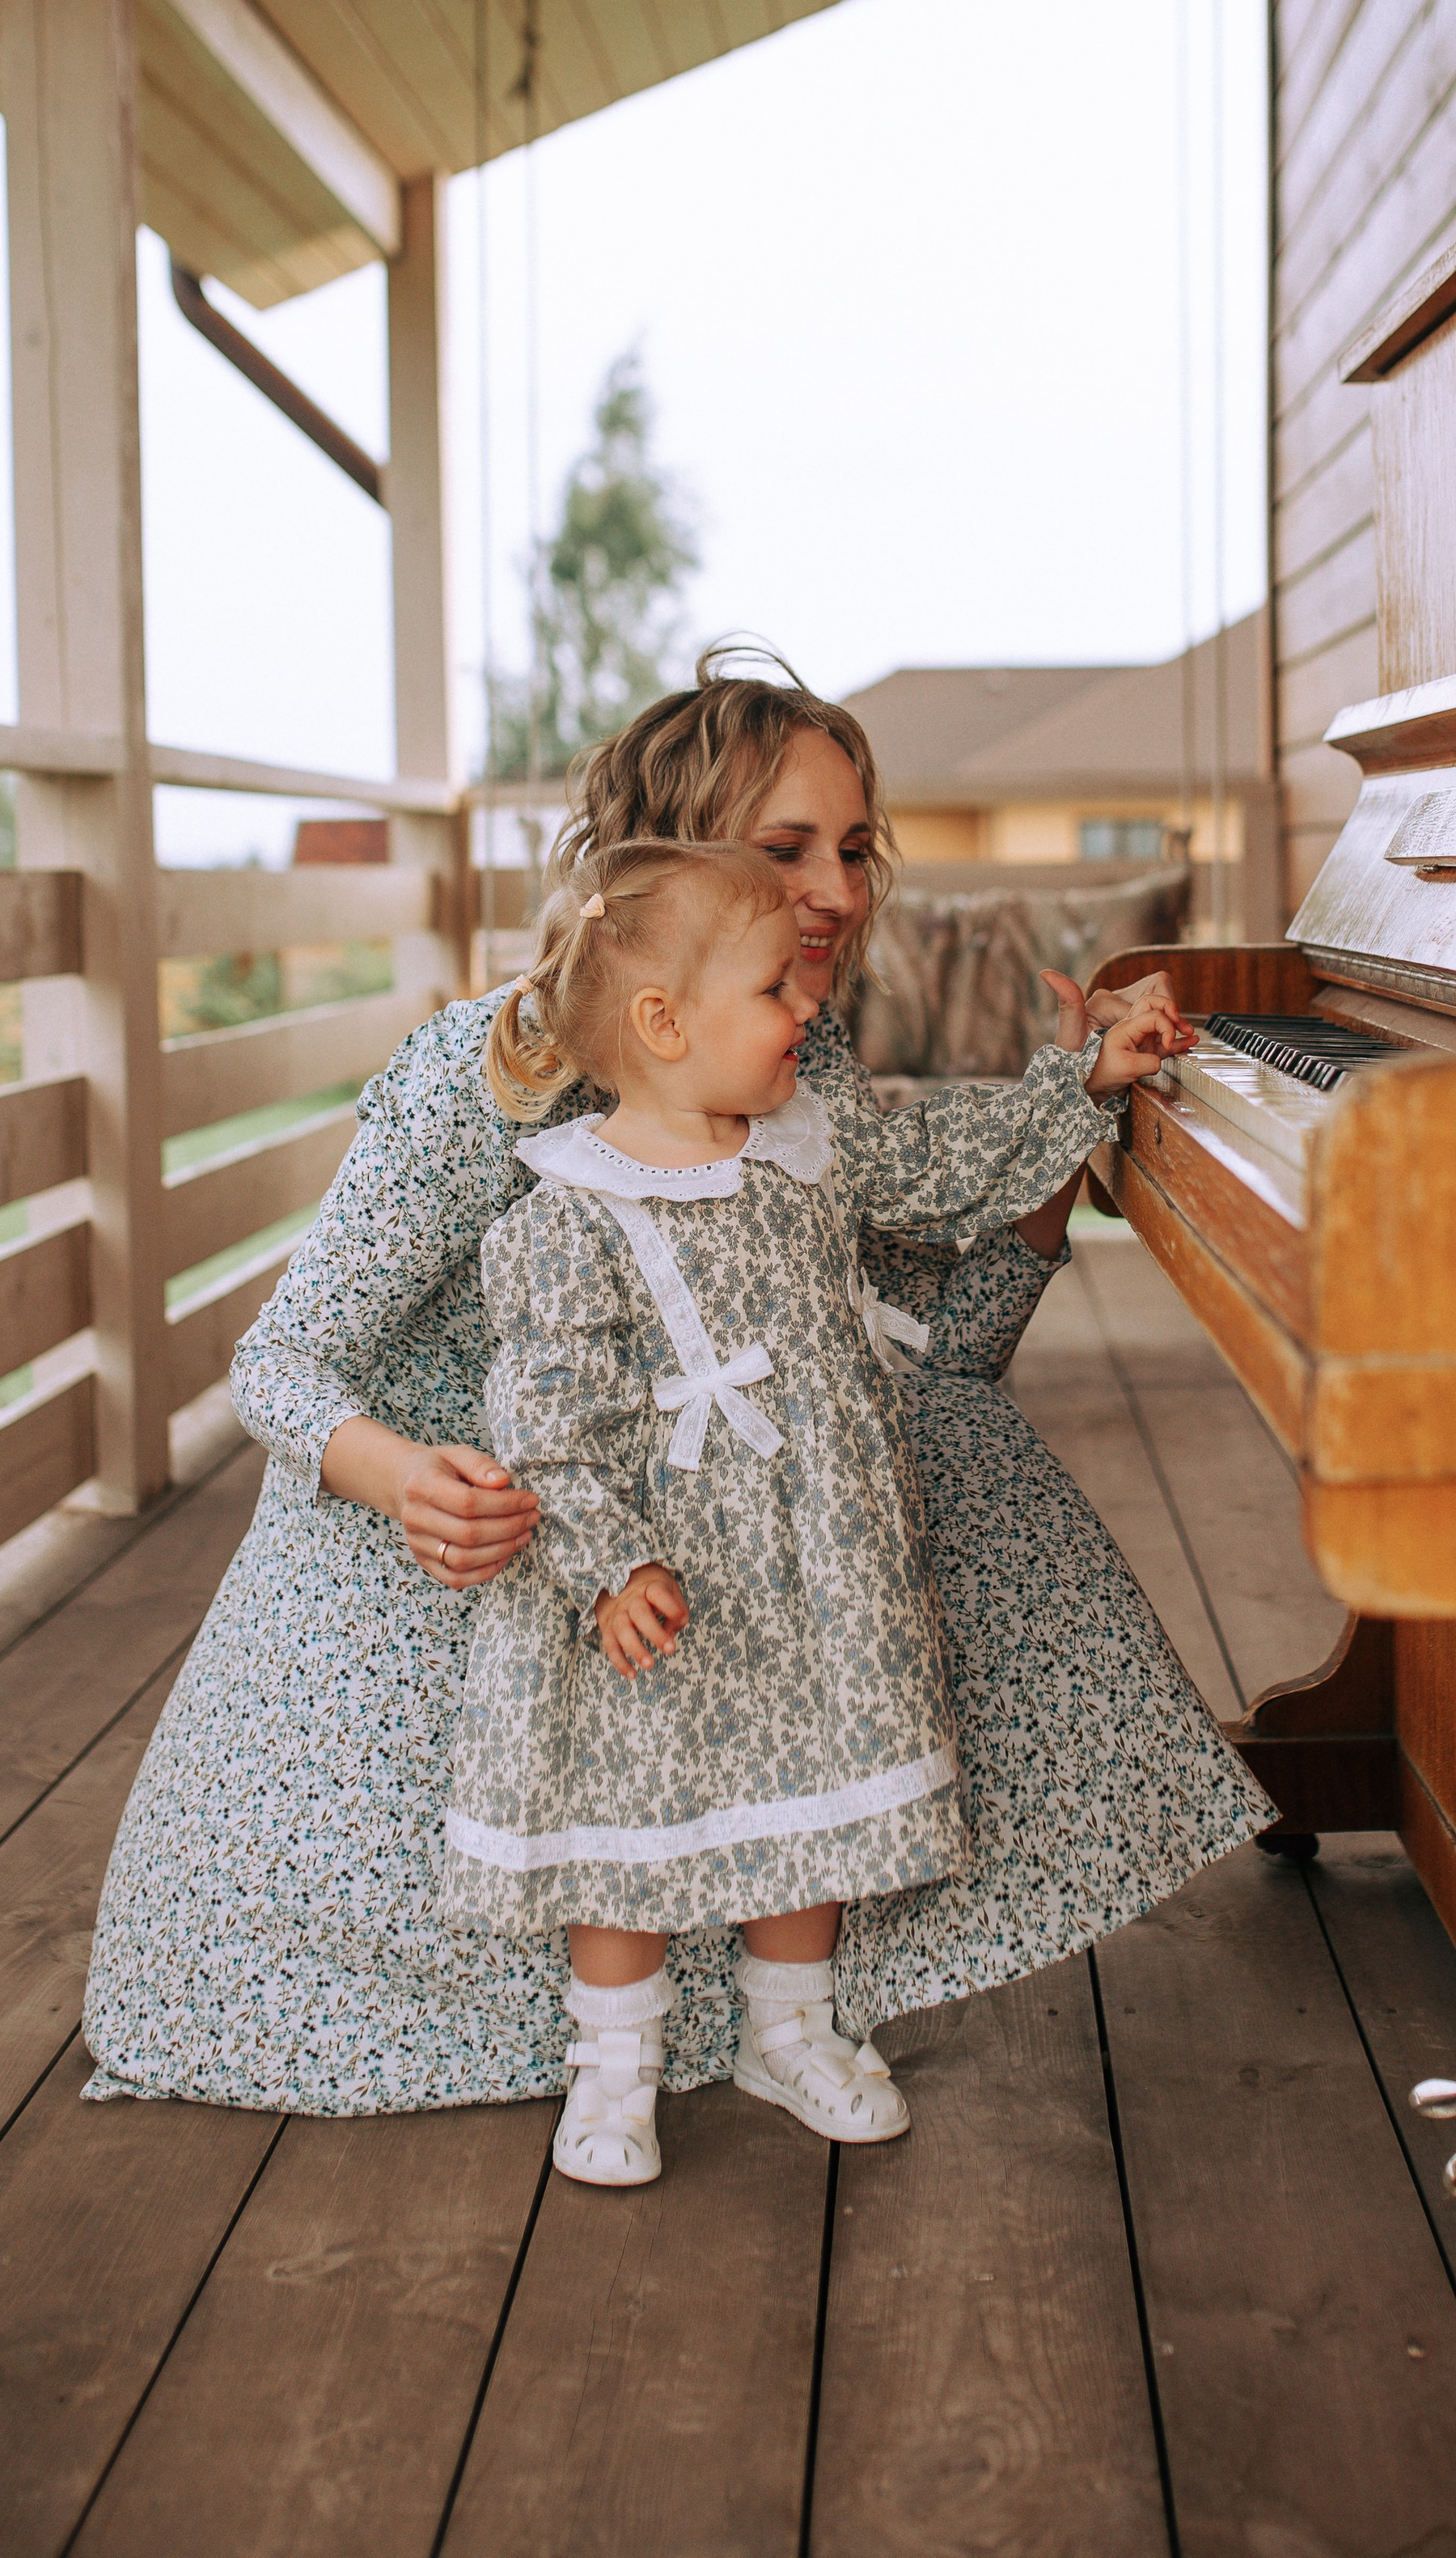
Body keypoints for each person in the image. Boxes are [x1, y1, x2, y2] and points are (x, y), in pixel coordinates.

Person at [81, 649, 1270, 2115]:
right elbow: (280, 1360)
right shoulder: (496, 1072)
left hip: (714, 1536)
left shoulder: (788, 1057)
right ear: (672, 863)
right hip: (492, 1527)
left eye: (852, 848)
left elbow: (938, 1368)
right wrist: (405, 1480)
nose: (834, 892)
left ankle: (787, 1992)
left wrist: (1054, 1150)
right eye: (786, 853)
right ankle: (622, 2014)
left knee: (961, 1464)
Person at [447, 839, 1180, 2185]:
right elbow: (548, 1411)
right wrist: (608, 1564)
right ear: (664, 1025)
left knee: (809, 1801)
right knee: (627, 1832)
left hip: (813, 1565)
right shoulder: (567, 1210)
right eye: (778, 992)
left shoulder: (808, 1148)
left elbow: (951, 1160)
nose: (810, 1014)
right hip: (656, 1584)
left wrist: (1084, 1078)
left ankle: (788, 2031)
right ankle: (611, 2070)